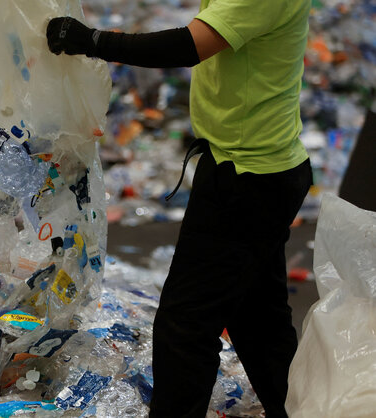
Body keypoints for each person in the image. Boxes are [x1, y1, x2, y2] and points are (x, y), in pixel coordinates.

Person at [46, 0, 313, 417]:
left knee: (185, 325)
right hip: (250, 168)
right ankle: (303, 409)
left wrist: (91, 40)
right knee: (258, 319)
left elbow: (188, 46)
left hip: (248, 179)